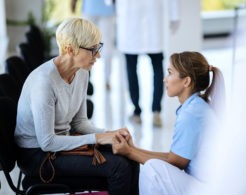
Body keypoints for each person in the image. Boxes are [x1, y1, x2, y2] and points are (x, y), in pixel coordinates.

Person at [14, 17, 139, 195]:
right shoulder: (43, 82)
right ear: (69, 49)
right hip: (37, 156)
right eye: (93, 50)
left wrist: (111, 134)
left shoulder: (81, 73)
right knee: (118, 168)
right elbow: (47, 142)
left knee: (130, 157)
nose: (99, 55)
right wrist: (97, 138)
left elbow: (80, 123)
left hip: (61, 144)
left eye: (98, 47)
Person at [112, 51, 225, 195]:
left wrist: (129, 152)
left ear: (186, 81)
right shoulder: (196, 106)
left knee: (152, 169)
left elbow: (175, 163)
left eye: (170, 73)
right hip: (206, 184)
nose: (165, 79)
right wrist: (133, 149)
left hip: (209, 188)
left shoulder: (191, 113)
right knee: (153, 166)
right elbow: (174, 157)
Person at [116, 0, 180, 126]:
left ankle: (137, 113)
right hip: (153, 22)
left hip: (130, 21)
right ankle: (156, 111)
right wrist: (174, 16)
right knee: (157, 70)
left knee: (131, 70)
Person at [71, 0, 116, 91]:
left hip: (90, 7)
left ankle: (85, 79)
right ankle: (107, 80)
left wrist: (73, 2)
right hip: (107, 8)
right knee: (107, 46)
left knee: (86, 44)